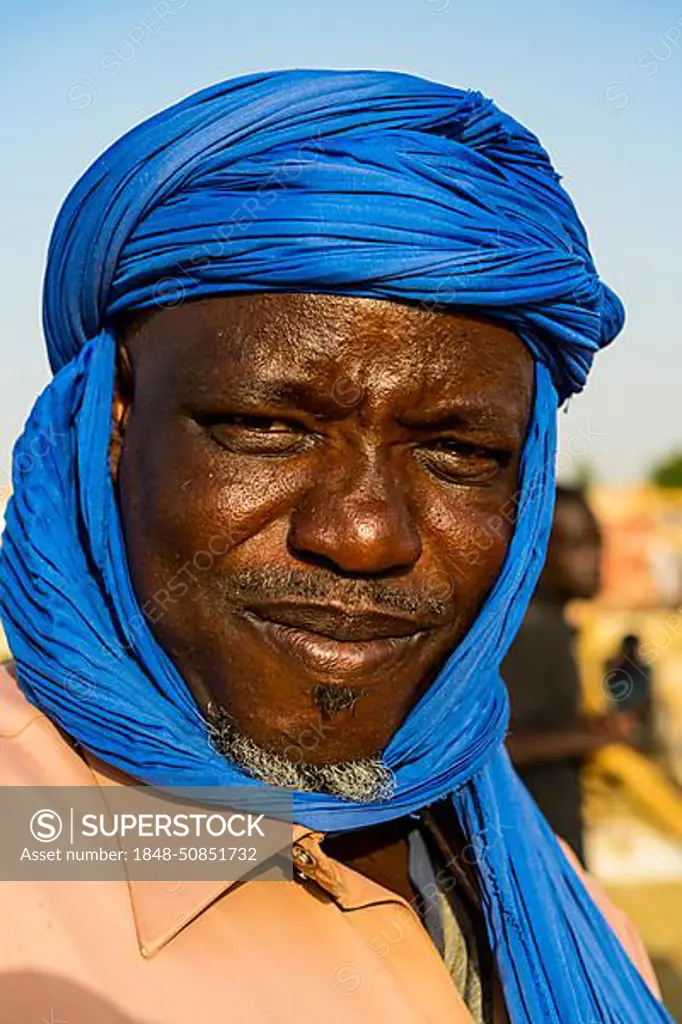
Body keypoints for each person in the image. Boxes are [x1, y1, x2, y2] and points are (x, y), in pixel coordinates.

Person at [0, 70, 671, 1023]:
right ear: (109, 427)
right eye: (264, 428)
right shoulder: (24, 856)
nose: (364, 535)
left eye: (460, 453)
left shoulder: (538, 885)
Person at [503, 487, 637, 863]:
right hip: (533, 854)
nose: (595, 560)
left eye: (597, 543)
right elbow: (491, 749)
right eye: (577, 545)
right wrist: (586, 736)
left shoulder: (553, 624)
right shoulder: (530, 630)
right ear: (536, 549)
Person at [604, 634, 656, 753]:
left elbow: (647, 698)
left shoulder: (643, 670)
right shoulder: (614, 669)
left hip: (637, 719)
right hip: (619, 720)